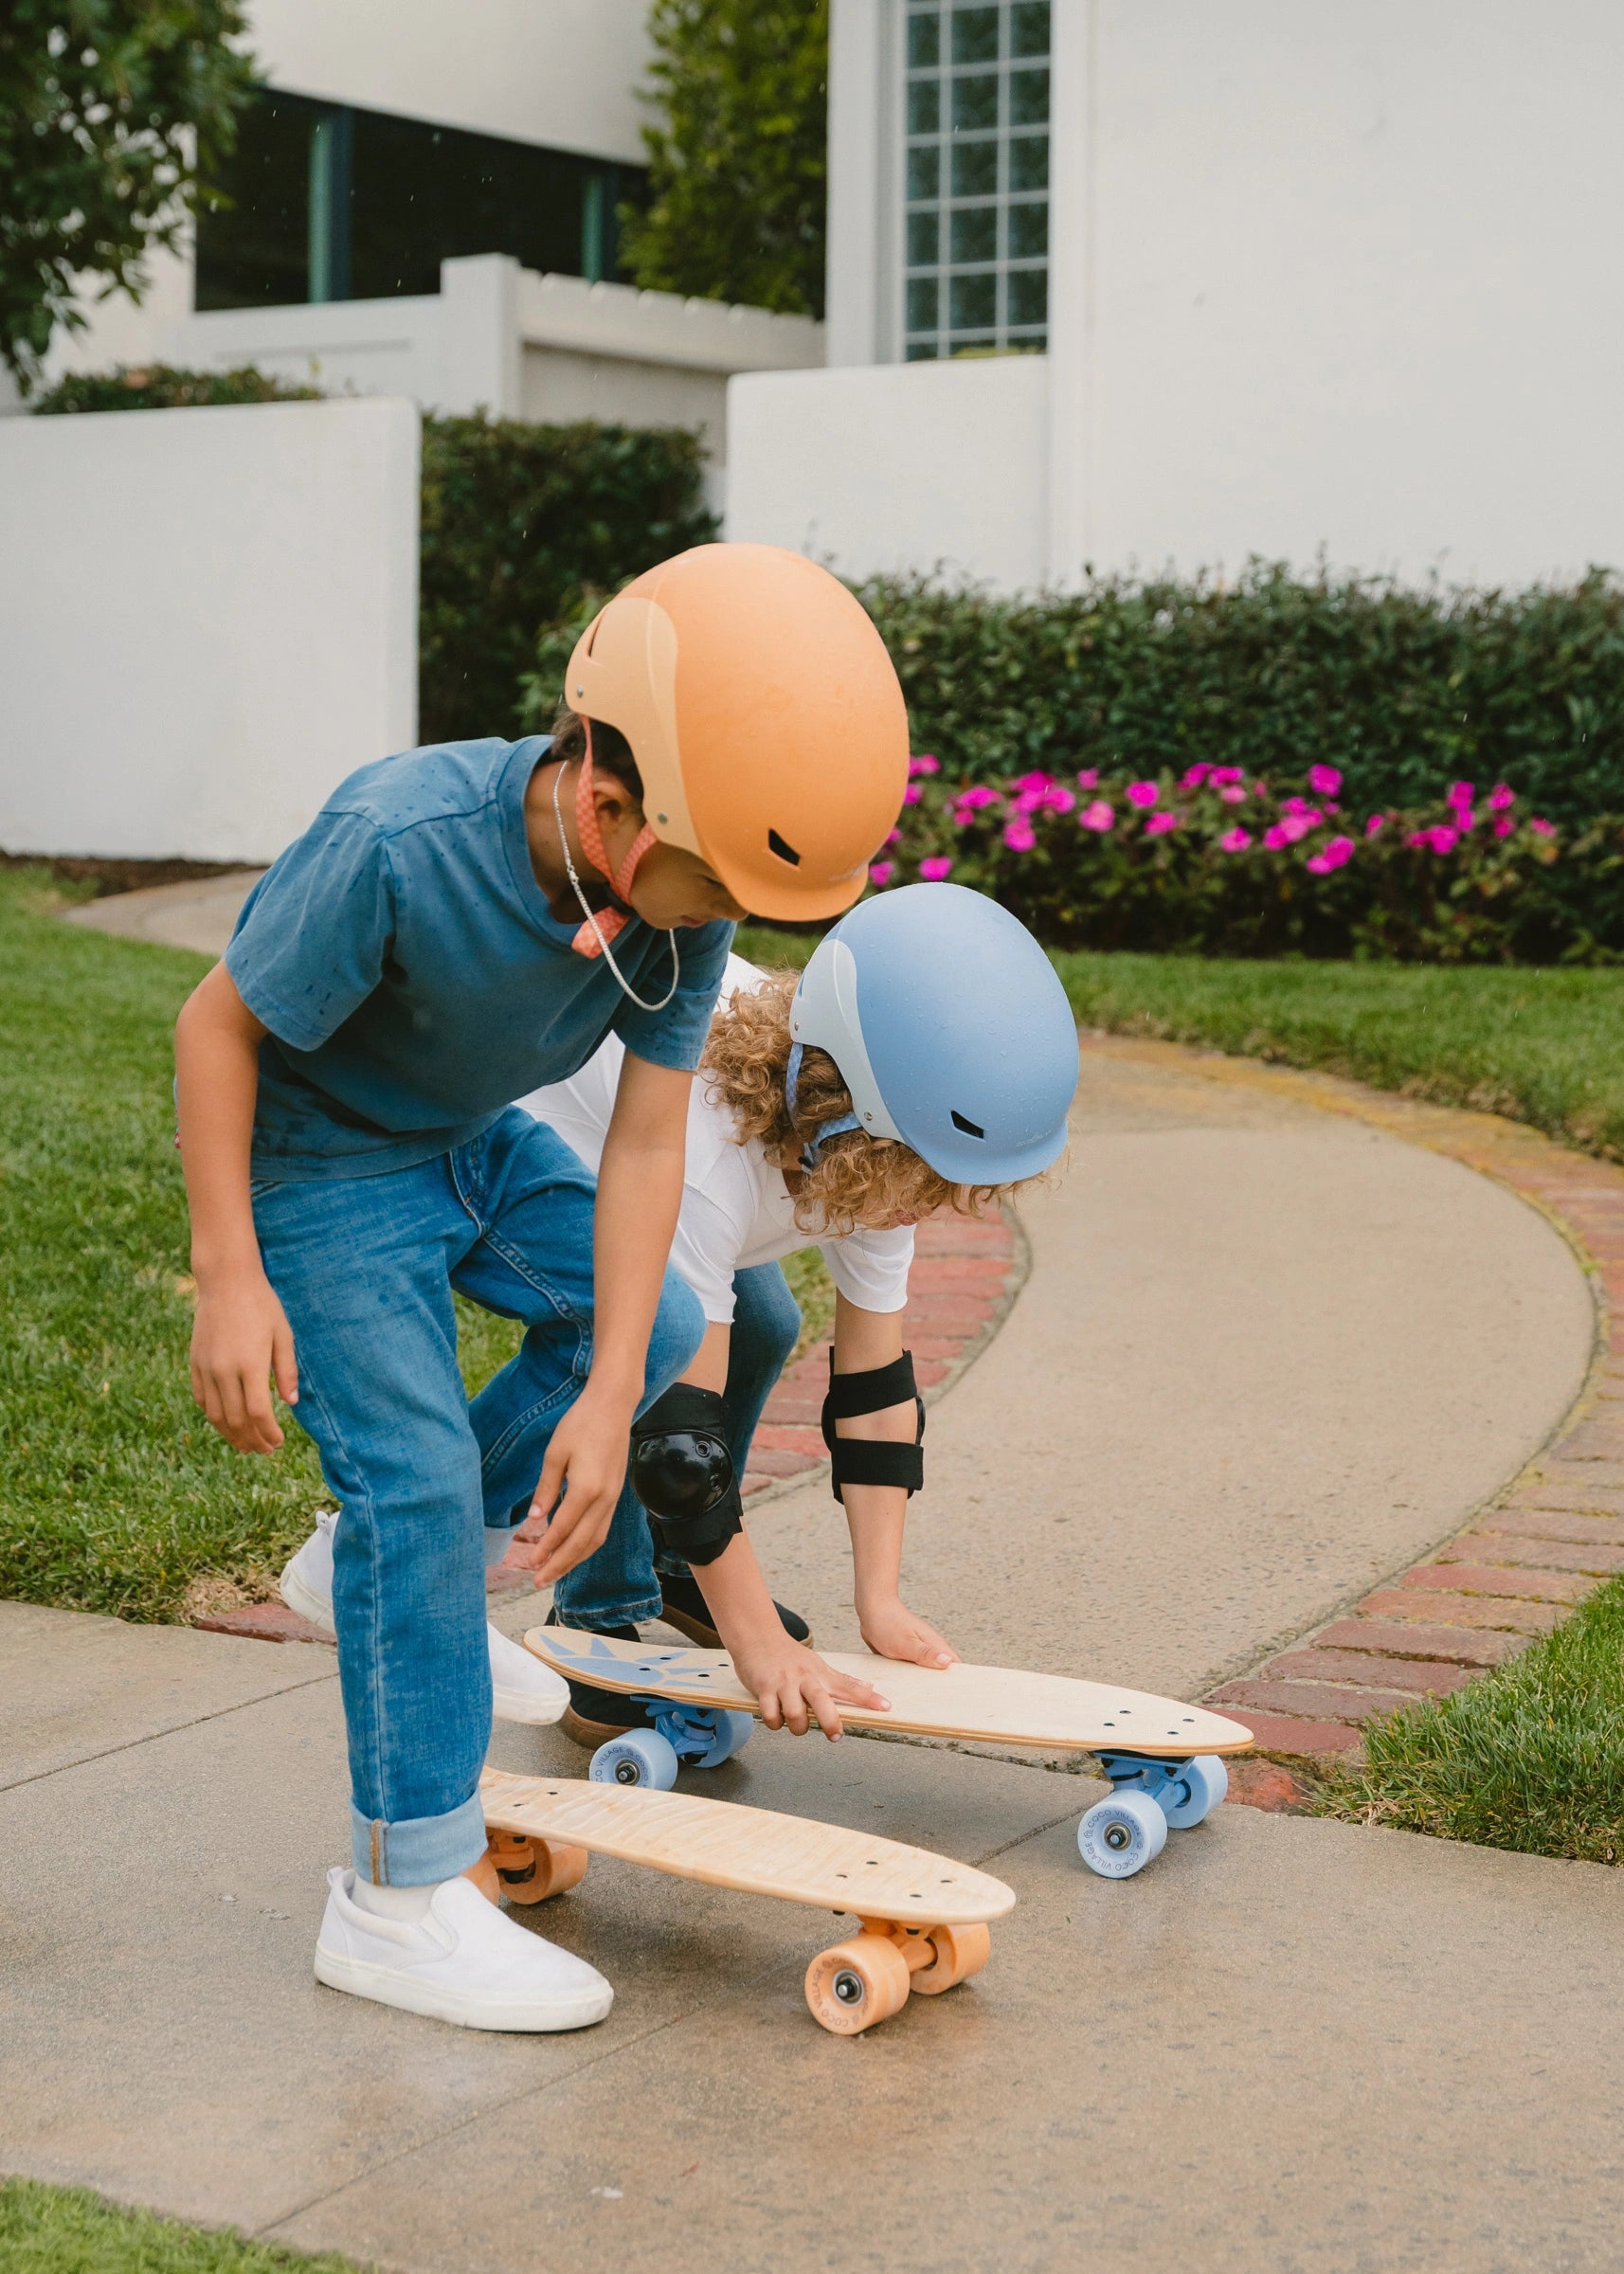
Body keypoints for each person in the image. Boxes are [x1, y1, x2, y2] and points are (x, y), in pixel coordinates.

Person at [173, 542, 909, 2034]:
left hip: (465, 1140)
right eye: (712, 884)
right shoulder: (398, 840)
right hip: (317, 1166)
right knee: (420, 1481)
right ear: (609, 803)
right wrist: (228, 1275)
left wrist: (611, 1386)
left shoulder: (681, 900)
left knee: (664, 1322)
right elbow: (214, 1028)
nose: (716, 919)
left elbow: (643, 1146)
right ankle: (397, 1902)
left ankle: (362, 1567)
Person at [517, 882, 1081, 1748]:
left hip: (670, 1168)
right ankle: (599, 1613)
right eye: (923, 1182)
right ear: (844, 1125)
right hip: (532, 1153)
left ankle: (677, 1562)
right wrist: (758, 1642)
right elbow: (679, 1442)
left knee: (766, 1325)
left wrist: (879, 1601)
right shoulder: (710, 1158)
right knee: (649, 1343)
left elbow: (874, 1393)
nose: (925, 1208)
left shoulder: (875, 1152)